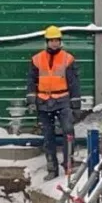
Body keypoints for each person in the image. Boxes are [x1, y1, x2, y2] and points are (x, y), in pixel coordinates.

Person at [27, 26, 81, 181]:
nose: (54, 43)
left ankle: (69, 164)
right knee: (48, 136)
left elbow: (74, 82)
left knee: (68, 131)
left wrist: (76, 104)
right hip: (43, 101)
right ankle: (52, 169)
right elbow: (31, 81)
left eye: (57, 40)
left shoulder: (67, 59)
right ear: (47, 42)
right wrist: (31, 100)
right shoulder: (37, 59)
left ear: (60, 41)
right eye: (51, 40)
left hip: (62, 100)